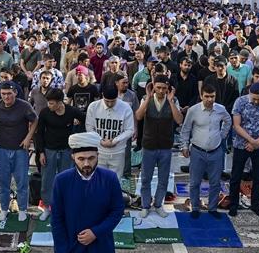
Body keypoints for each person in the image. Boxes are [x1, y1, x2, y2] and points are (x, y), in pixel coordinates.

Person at [180, 85, 232, 218]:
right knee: (195, 182)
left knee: (215, 182)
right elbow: (185, 128)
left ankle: (213, 208)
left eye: (212, 97)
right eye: (207, 96)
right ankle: (195, 207)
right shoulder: (193, 110)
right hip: (197, 151)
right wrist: (184, 146)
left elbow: (228, 120)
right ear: (201, 96)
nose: (209, 99)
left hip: (215, 151)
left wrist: (222, 135)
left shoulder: (220, 109)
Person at [0, 81, 38, 222]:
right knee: (3, 182)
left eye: (9, 94)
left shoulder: (24, 106)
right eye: (3, 94)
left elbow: (35, 120)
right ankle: (4, 209)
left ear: (15, 93)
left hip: (20, 149)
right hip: (3, 148)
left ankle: (23, 209)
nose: (6, 97)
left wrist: (29, 137)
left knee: (21, 181)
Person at [34, 88, 85, 221]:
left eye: (51, 103)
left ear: (59, 102)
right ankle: (46, 207)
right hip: (49, 150)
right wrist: (40, 152)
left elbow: (85, 120)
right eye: (48, 103)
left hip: (67, 150)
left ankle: (65, 208)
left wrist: (78, 137)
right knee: (47, 180)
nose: (49, 105)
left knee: (66, 180)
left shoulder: (71, 111)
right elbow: (39, 133)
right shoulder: (45, 113)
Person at [136, 75, 182, 217]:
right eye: (158, 87)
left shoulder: (173, 100)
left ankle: (158, 204)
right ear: (153, 87)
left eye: (164, 88)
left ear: (168, 88)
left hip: (165, 146)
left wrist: (170, 101)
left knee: (163, 179)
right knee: (145, 179)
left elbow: (179, 120)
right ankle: (145, 205)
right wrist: (149, 97)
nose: (161, 91)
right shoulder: (146, 99)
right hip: (149, 145)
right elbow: (138, 116)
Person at [229, 82, 259, 217]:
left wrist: (257, 142)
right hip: (241, 144)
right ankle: (233, 204)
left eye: (258, 99)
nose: (256, 101)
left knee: (258, 177)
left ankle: (255, 205)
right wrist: (251, 141)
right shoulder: (240, 102)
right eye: (253, 98)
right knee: (236, 176)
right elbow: (237, 125)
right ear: (249, 93)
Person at [85, 83, 135, 177]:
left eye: (113, 101)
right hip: (98, 151)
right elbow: (89, 127)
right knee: (98, 181)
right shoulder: (93, 106)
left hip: (118, 152)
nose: (110, 104)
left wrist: (115, 140)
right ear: (102, 95)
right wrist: (100, 140)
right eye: (107, 101)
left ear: (117, 96)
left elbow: (130, 130)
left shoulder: (125, 108)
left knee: (115, 181)